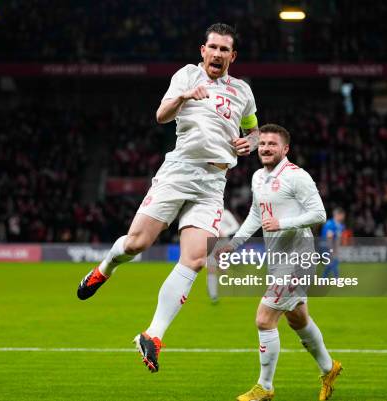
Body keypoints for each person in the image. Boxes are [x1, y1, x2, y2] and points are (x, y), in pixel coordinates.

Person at [77, 22, 259, 372]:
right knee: (135, 244)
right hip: (178, 173)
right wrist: (186, 96)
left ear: (232, 56)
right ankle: (104, 268)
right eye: (213, 47)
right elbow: (161, 116)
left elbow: (252, 132)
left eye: (225, 49)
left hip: (213, 182)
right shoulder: (187, 76)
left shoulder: (243, 92)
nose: (218, 54)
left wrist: (248, 143)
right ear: (202, 50)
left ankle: (153, 335)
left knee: (194, 259)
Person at [216, 124, 342, 401]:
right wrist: (233, 244)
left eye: (272, 144)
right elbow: (255, 215)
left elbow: (319, 213)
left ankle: (265, 387)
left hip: (299, 257)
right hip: (278, 258)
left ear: (285, 149)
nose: (265, 148)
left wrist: (283, 222)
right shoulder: (258, 177)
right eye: (262, 144)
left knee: (264, 319)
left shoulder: (297, 176)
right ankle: (329, 368)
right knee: (298, 319)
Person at [207, 208, 241, 303]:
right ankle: (213, 295)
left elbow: (235, 226)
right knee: (211, 268)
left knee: (223, 269)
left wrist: (224, 233)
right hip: (211, 241)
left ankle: (237, 284)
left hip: (223, 243)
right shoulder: (209, 212)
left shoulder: (225, 213)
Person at [321, 208, 346, 278]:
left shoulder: (341, 226)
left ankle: (324, 280)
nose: (343, 217)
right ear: (338, 215)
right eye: (342, 215)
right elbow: (329, 238)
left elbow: (338, 239)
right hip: (326, 246)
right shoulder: (330, 224)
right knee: (332, 262)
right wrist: (331, 250)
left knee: (332, 263)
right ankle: (336, 279)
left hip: (333, 246)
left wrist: (337, 248)